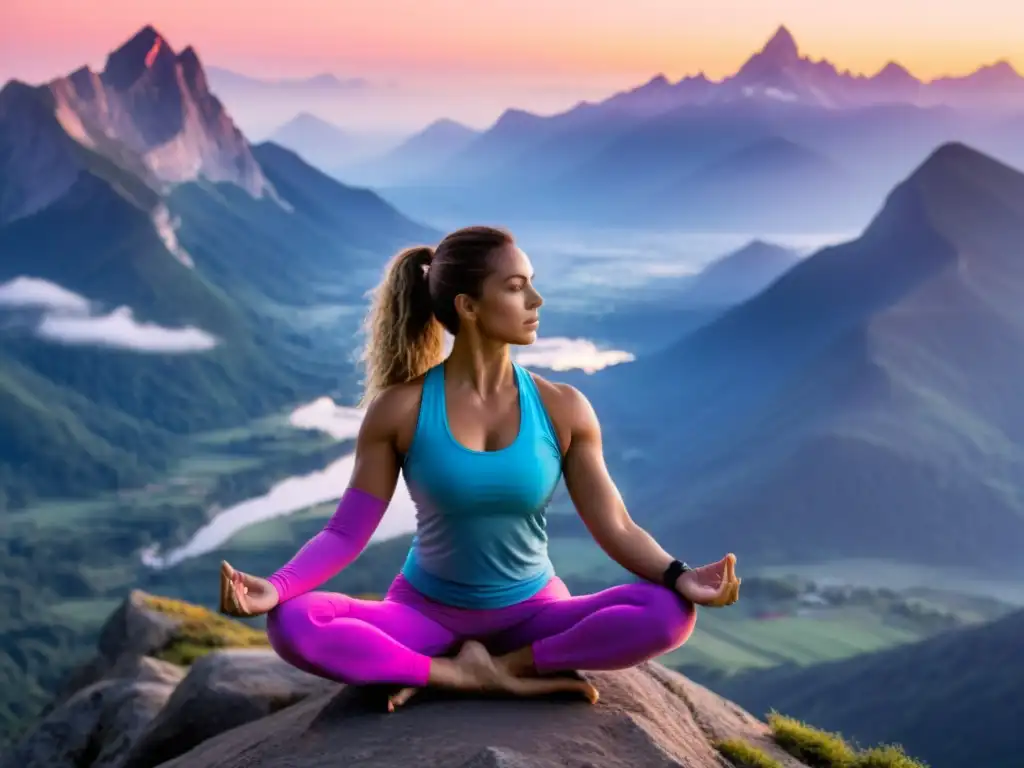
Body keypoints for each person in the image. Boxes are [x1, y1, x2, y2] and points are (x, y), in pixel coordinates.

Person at [219, 225, 741, 711]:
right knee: (291, 622)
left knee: (672, 613)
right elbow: (344, 533)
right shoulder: (400, 409)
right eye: (517, 288)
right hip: (424, 615)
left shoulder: (563, 407)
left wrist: (681, 576)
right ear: (468, 306)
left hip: (534, 615)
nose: (536, 302)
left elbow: (616, 526)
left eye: (531, 285)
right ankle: (456, 676)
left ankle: (503, 669)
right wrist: (278, 587)